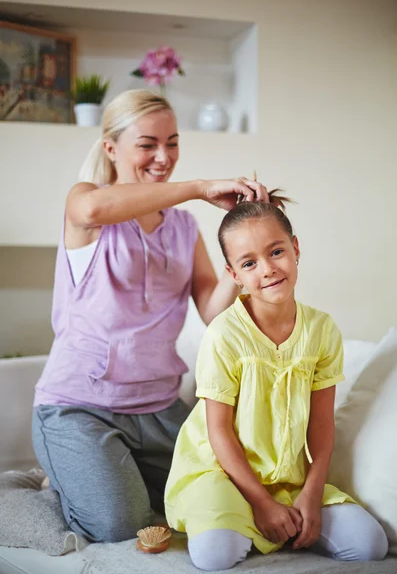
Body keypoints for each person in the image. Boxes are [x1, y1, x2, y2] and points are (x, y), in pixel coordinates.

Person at [31, 90, 270, 543]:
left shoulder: (182, 227)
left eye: (173, 142)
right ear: (110, 148)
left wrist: (243, 264)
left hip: (161, 411)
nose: (164, 157)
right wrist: (201, 188)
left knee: (221, 504)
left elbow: (210, 309)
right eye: (148, 144)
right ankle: (56, 481)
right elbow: (94, 208)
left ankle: (110, 474)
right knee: (121, 525)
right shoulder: (87, 202)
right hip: (81, 408)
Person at [164, 197, 389, 571]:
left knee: (370, 545)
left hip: (289, 476)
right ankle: (245, 520)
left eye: (276, 251)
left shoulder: (321, 330)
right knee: (215, 555)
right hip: (222, 471)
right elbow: (218, 431)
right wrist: (263, 505)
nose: (267, 269)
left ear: (295, 248)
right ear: (234, 274)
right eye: (249, 263)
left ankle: (270, 524)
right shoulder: (223, 335)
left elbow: (321, 424)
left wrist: (313, 495)